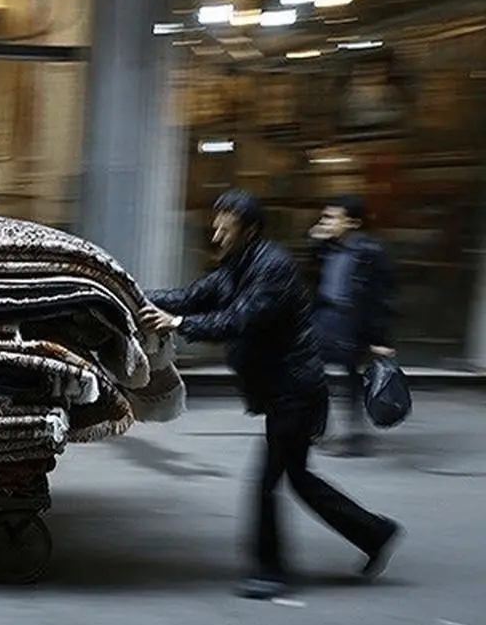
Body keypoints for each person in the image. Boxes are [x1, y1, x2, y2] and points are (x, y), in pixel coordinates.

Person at [138, 189, 403, 600]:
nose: (216, 234)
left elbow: (240, 319)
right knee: (298, 478)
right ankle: (375, 532)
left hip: (295, 392)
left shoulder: (271, 269)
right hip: (283, 391)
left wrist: (177, 323)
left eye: (226, 227)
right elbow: (193, 295)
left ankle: (271, 571)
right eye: (217, 224)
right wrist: (131, 296)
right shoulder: (238, 264)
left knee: (267, 482)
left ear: (251, 229)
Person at [308, 195, 396, 457]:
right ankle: (317, 427)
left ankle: (355, 436)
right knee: (311, 371)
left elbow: (381, 298)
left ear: (353, 222)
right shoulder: (330, 246)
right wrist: (315, 243)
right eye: (325, 216)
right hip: (326, 318)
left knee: (352, 380)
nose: (326, 222)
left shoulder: (371, 253)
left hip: (352, 322)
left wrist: (380, 338)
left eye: (332, 217)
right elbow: (312, 275)